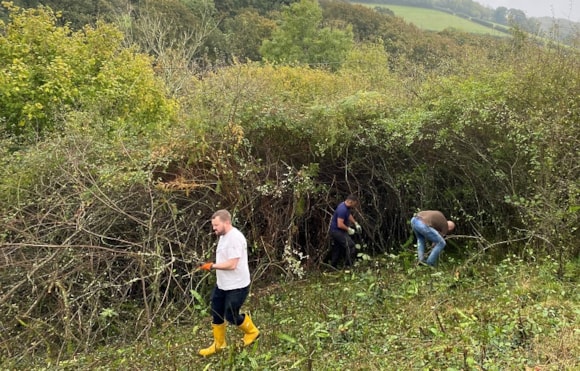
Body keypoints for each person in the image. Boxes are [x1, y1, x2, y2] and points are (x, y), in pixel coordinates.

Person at [198, 209, 260, 357]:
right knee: (216, 312)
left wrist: (211, 266)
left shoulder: (234, 239)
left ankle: (252, 332)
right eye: (213, 225)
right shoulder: (224, 235)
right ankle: (219, 344)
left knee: (231, 315)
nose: (214, 228)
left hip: (237, 286)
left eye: (216, 225)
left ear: (226, 222)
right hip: (223, 284)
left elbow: (232, 264)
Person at [329, 194, 362, 269]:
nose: (355, 205)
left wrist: (355, 223)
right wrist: (349, 229)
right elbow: (340, 224)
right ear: (350, 202)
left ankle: (333, 266)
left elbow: (348, 215)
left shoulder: (345, 206)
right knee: (351, 246)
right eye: (354, 203)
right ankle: (348, 266)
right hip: (337, 231)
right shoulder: (342, 209)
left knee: (337, 248)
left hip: (336, 231)